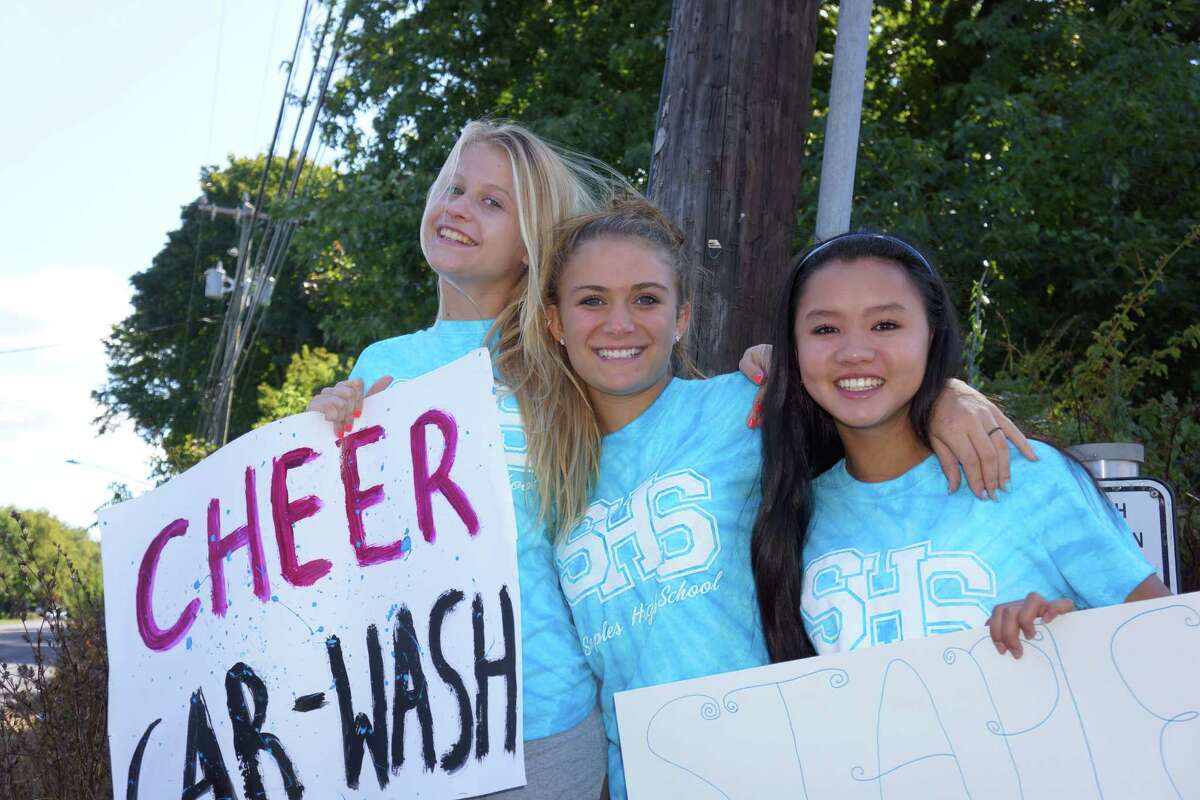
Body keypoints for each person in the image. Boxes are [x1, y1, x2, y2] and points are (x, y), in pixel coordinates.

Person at [510, 198, 1039, 799]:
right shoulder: (545, 471)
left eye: (647, 299)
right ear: (554, 321)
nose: (620, 323)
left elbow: (867, 400)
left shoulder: (748, 406)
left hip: (791, 766)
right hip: (649, 780)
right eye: (592, 300)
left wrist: (946, 395)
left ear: (682, 316)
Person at [307, 119, 628, 799]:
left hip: (545, 719)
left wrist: (761, 370)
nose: (456, 207)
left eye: (490, 201)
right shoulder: (381, 365)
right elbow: (340, 548)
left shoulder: (568, 361)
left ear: (529, 243)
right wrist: (316, 449)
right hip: (410, 719)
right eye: (453, 188)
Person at [750, 231, 1170, 665]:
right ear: (793, 347)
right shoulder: (789, 511)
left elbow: (1166, 639)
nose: (854, 351)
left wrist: (1066, 634)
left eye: (886, 325)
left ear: (932, 334)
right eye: (825, 329)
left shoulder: (1023, 474)